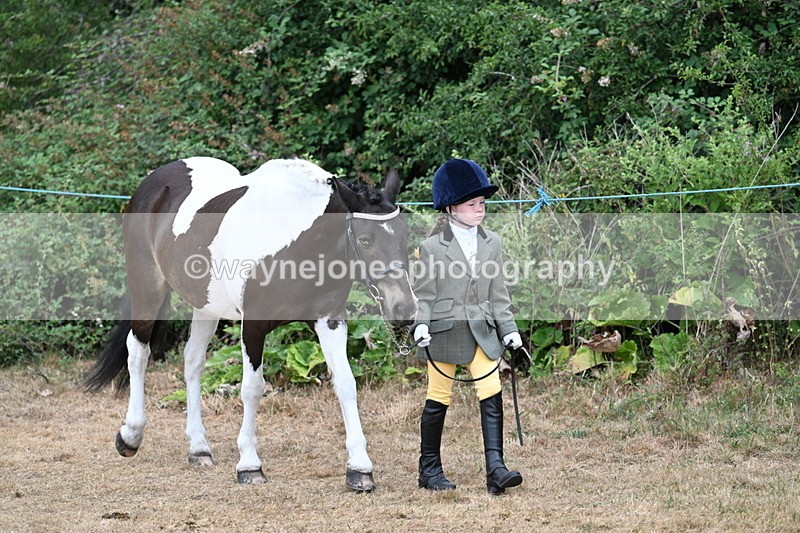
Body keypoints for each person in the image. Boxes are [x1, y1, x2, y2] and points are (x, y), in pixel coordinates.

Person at [412, 158, 523, 495]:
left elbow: (498, 292)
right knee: (438, 396)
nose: (480, 210)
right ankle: (429, 469)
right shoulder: (431, 247)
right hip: (444, 331)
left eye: (482, 204)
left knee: (491, 390)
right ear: (451, 208)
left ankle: (496, 469)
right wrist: (421, 325)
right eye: (472, 204)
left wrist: (509, 328)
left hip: (482, 329)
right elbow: (424, 294)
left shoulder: (493, 243)